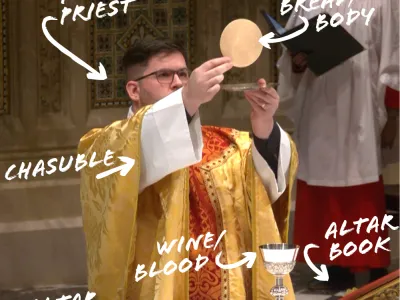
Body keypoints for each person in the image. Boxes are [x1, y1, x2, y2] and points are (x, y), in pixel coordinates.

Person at [77, 38, 298, 299]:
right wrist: (187, 100)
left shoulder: (227, 144)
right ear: (134, 90)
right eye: (163, 75)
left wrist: (264, 126)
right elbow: (140, 142)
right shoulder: (106, 147)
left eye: (183, 73)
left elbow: (268, 189)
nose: (179, 82)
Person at [277, 0, 399, 291]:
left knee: (360, 182)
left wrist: (393, 114)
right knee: (319, 180)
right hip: (318, 105)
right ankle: (332, 268)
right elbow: (290, 57)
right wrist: (297, 62)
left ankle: (372, 270)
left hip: (361, 108)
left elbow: (395, 56)